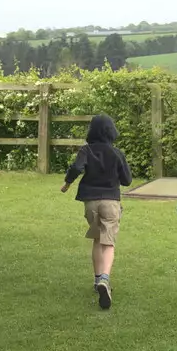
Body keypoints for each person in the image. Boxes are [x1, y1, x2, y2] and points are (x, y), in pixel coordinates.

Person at [61, 114, 132, 309]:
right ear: (112, 131)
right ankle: (105, 280)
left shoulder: (86, 150)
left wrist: (67, 184)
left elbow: (76, 167)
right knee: (108, 242)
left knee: (96, 238)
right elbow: (127, 180)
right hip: (111, 201)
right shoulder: (117, 153)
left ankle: (96, 279)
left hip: (90, 201)